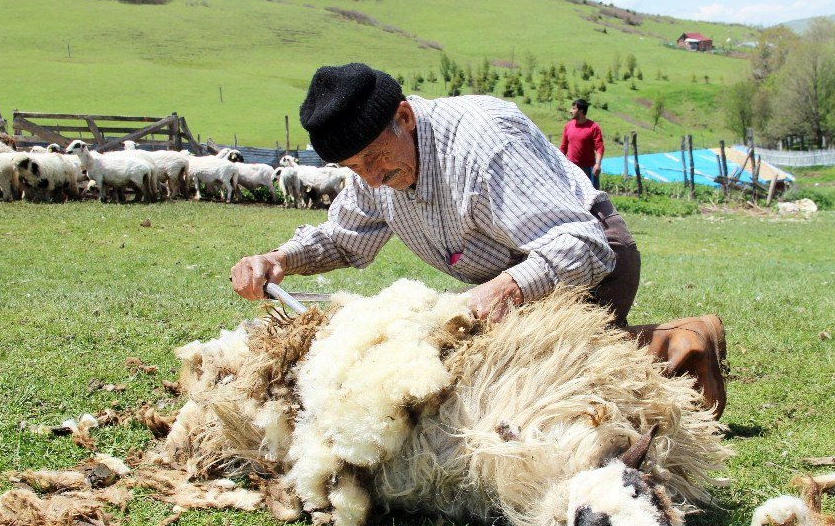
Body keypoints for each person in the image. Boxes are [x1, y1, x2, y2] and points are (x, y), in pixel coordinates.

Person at [230, 63, 726, 416]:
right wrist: (279, 260)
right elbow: (345, 239)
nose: (373, 179)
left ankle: (678, 346)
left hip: (588, 262)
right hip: (509, 279)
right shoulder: (372, 173)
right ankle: (657, 339)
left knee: (519, 393)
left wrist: (507, 289)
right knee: (456, 379)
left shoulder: (484, 141)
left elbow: (582, 243)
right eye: (354, 168)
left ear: (404, 117)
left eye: (376, 158)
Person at [560, 98, 603, 190]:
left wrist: (598, 164)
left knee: (592, 195)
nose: (570, 111)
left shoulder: (593, 127)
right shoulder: (568, 126)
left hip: (588, 169)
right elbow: (563, 147)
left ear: (581, 111)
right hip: (571, 168)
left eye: (573, 108)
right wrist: (559, 163)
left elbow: (599, 147)